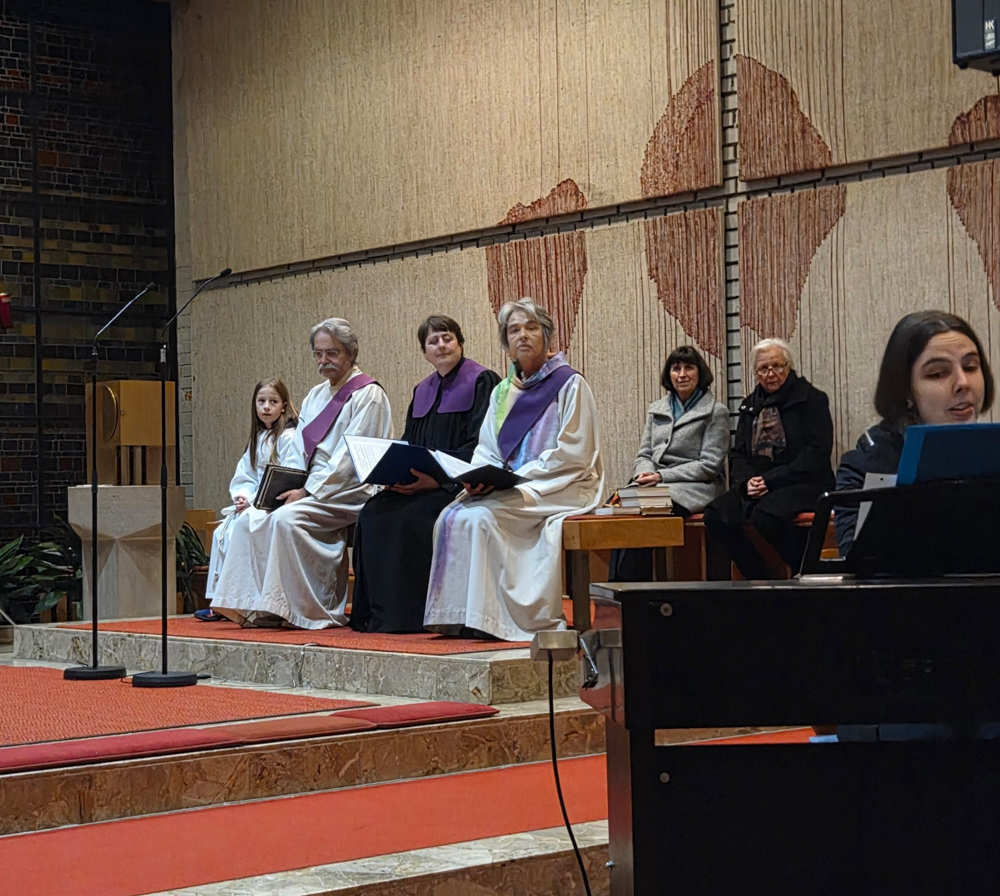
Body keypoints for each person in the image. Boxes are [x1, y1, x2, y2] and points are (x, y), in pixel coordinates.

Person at [423, 298, 604, 641]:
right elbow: (487, 448)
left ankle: (498, 619)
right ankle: (463, 616)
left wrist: (517, 479)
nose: (522, 335)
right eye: (514, 330)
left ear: (547, 336)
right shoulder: (503, 392)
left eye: (531, 328)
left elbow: (574, 452)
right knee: (452, 515)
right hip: (510, 485)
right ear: (506, 343)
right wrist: (479, 477)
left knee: (482, 517)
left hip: (561, 484)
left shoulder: (570, 384)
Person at [210, 318, 393, 628]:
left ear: (351, 352)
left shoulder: (368, 395)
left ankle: (308, 607)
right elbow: (298, 452)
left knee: (285, 520)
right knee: (255, 518)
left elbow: (350, 459)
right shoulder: (315, 396)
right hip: (312, 488)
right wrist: (281, 489)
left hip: (349, 490)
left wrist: (307, 491)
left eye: (332, 353)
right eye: (318, 354)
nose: (323, 360)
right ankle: (259, 605)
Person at [349, 315, 500, 633]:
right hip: (420, 484)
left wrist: (440, 480)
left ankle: (412, 616)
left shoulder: (482, 381)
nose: (441, 345)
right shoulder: (422, 390)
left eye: (447, 338)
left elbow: (482, 445)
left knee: (410, 518)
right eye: (433, 341)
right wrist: (396, 475)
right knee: (373, 513)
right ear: (424, 352)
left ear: (460, 343)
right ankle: (380, 614)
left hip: (458, 484)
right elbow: (410, 443)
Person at [834, 310, 994, 556]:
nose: (963, 383)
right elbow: (859, 566)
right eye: (937, 374)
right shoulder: (865, 466)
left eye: (971, 367)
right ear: (905, 391)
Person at [703, 338, 834, 579]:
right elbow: (738, 453)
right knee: (716, 514)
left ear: (789, 366)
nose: (771, 374)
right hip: (759, 484)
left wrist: (770, 480)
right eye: (763, 369)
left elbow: (816, 453)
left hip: (803, 482)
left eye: (777, 366)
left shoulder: (812, 399)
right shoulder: (750, 406)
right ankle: (760, 577)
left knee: (766, 515)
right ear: (756, 373)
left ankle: (806, 571)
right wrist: (747, 482)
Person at [610, 345, 730, 581]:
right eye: (676, 369)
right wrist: (644, 475)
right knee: (621, 512)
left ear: (700, 373)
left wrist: (661, 477)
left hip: (695, 487)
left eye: (689, 368)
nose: (682, 374)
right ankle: (616, 588)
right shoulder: (657, 410)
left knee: (647, 517)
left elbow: (709, 466)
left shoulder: (716, 412)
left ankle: (635, 590)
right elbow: (644, 455)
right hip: (655, 485)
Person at [197, 378, 301, 621]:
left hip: (272, 502)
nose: (266, 407)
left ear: (284, 406)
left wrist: (253, 500)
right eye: (261, 401)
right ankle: (224, 601)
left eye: (273, 401)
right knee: (222, 532)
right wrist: (242, 496)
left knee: (241, 529)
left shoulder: (288, 437)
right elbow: (246, 475)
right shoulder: (258, 438)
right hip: (255, 501)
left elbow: (288, 475)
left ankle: (248, 601)